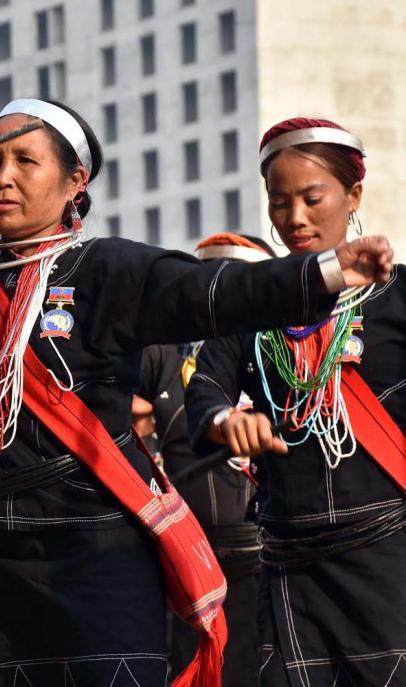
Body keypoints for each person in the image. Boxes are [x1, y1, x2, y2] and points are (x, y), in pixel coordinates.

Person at [0, 98, 393, 685]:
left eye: (25, 161)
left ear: (73, 181)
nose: (2, 176)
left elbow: (211, 292)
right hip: (3, 559)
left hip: (98, 555)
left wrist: (327, 271)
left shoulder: (104, 270)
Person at [185, 118, 406, 686]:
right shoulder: (253, 308)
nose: (295, 219)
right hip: (290, 568)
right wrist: (225, 420)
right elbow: (204, 389)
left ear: (353, 195)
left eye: (312, 198)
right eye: (279, 202)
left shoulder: (397, 297)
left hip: (388, 555)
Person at [134, 231, 275, 684]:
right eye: (213, 280)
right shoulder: (165, 354)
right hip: (192, 558)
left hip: (265, 550)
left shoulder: (280, 348)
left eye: (237, 281)